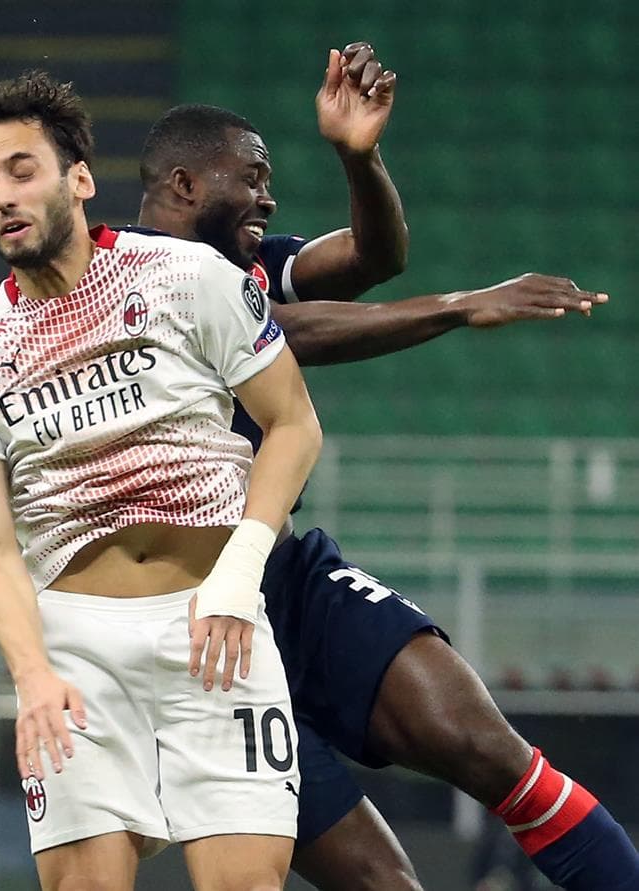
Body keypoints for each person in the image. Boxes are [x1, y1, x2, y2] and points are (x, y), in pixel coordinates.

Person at [136, 43, 639, 891]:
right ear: (184, 185)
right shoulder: (129, 279)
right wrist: (460, 304)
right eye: (252, 177)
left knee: (495, 753)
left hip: (289, 580)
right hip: (194, 631)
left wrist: (358, 156)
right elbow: (288, 335)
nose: (268, 194)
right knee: (385, 884)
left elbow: (374, 259)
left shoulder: (246, 268)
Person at [0, 70, 322, 891]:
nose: (2, 195)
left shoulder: (186, 277)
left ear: (79, 177)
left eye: (22, 170)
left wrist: (241, 572)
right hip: (76, 650)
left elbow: (293, 425)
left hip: (217, 628)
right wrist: (32, 672)